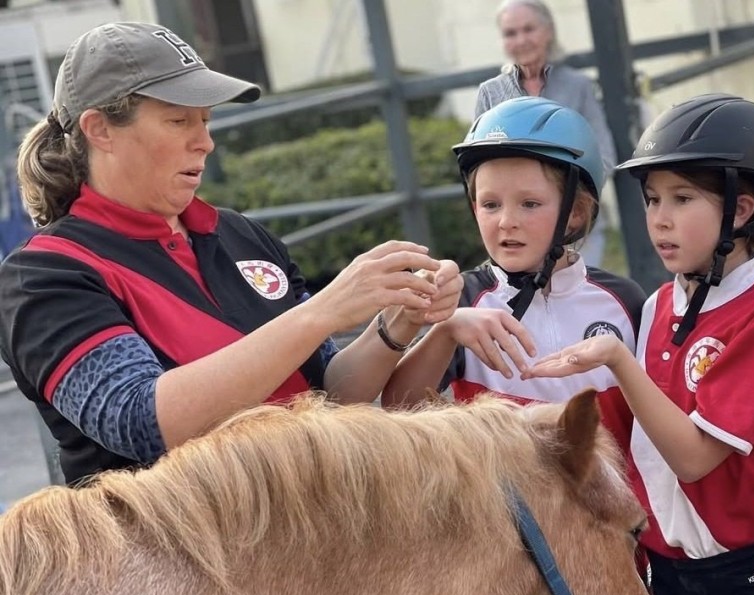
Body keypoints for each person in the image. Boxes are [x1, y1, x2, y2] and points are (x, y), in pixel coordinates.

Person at [0, 22, 462, 487]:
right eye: (178, 120)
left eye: (205, 119)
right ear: (99, 129)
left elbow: (330, 393)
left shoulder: (239, 233)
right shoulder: (44, 273)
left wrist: (398, 322)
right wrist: (325, 310)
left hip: (316, 523)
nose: (204, 141)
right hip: (173, 550)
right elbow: (142, 422)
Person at [522, 93, 754, 595]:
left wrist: (616, 358)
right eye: (652, 199)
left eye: (682, 199)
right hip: (671, 573)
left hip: (752, 579)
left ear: (740, 211)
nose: (659, 218)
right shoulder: (662, 300)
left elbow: (693, 460)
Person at [381, 96, 645, 595]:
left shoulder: (622, 302)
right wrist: (446, 331)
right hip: (505, 560)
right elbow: (398, 408)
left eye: (530, 203)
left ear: (575, 212)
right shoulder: (467, 299)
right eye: (490, 203)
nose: (506, 221)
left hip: (605, 545)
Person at [475, 0, 617, 268]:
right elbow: (478, 169)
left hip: (573, 223)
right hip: (514, 227)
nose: (521, 40)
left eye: (529, 29)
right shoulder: (490, 93)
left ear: (548, 31)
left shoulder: (579, 86)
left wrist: (569, 197)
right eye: (510, 33)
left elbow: (604, 155)